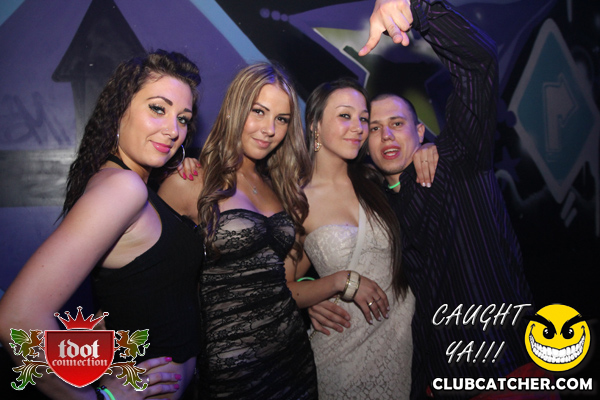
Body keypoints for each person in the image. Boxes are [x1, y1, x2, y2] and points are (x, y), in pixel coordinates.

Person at [313, 1, 535, 398]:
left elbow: (479, 65)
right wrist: (313, 294)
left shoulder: (458, 161)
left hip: (507, 372)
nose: (386, 136)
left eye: (397, 124)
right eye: (373, 128)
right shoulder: (377, 209)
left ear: (420, 131)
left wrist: (416, 7)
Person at [0, 50, 203, 400]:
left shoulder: (130, 183)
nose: (173, 131)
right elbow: (15, 318)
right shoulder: (123, 188)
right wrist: (96, 399)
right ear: (120, 109)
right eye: (158, 108)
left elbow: (130, 297)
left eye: (183, 119)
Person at [158, 62, 318, 399]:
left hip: (294, 358)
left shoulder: (278, 185)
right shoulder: (192, 180)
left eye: (282, 119)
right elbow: (150, 279)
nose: (269, 129)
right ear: (234, 109)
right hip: (232, 371)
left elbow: (283, 281)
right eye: (258, 111)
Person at [284, 78, 418, 400]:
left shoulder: (376, 181)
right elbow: (282, 289)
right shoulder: (298, 202)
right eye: (345, 116)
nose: (358, 127)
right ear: (315, 125)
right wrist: (335, 283)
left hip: (402, 351)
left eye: (363, 119)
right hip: (341, 359)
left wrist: (427, 150)